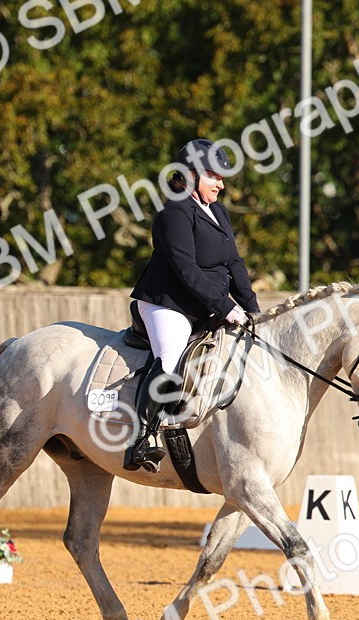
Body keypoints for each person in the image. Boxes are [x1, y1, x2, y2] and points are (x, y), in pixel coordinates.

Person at [124, 139, 261, 472]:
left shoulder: (218, 212)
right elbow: (186, 269)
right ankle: (142, 439)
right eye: (215, 176)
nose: (222, 184)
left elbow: (234, 263)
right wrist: (226, 306)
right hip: (168, 304)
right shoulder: (174, 213)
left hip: (206, 305)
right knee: (170, 356)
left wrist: (254, 309)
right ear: (191, 175)